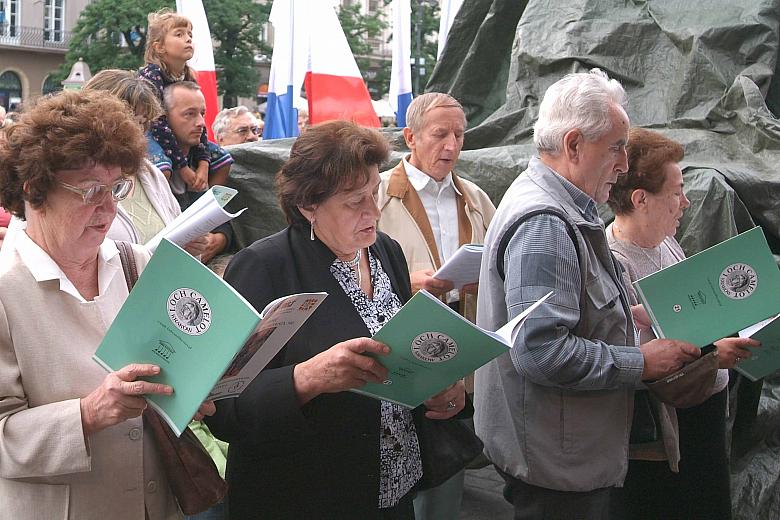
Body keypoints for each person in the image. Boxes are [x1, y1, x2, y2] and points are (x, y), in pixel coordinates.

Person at [206, 120, 468, 519]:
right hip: (306, 497)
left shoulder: (385, 251)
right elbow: (224, 408)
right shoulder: (264, 267)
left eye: (375, 194)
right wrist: (306, 378)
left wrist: (440, 390)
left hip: (394, 491)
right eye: (354, 202)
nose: (374, 212)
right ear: (308, 204)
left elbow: (398, 363)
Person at [474, 68, 702, 519]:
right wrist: (642, 361)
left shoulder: (560, 206)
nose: (623, 163)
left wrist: (623, 316)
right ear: (574, 144)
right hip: (556, 468)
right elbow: (539, 351)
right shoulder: (545, 222)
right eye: (616, 146)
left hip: (562, 453)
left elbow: (567, 314)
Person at [0, 89, 212, 519]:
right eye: (90, 190)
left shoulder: (138, 263)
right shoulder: (6, 289)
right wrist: (89, 414)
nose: (110, 207)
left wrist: (197, 391)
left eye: (116, 187)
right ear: (35, 190)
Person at [606, 127, 758, 519]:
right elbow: (637, 360)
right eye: (675, 192)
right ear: (640, 199)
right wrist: (711, 354)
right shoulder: (615, 263)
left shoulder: (665, 242)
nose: (686, 203)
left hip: (702, 417)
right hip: (662, 438)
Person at [377, 92, 495, 519]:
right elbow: (352, 265)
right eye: (440, 134)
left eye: (459, 135)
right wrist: (405, 282)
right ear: (409, 137)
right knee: (398, 475)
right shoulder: (377, 195)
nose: (451, 146)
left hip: (459, 352)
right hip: (400, 351)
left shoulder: (476, 199)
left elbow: (498, 266)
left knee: (447, 472)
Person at [82, 69, 206, 259]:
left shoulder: (151, 174)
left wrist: (190, 247)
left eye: (144, 124)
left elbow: (176, 242)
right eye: (130, 122)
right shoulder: (74, 180)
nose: (138, 133)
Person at [139, 9, 233, 197]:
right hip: (150, 132)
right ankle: (165, 212)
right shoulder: (150, 76)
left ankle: (203, 209)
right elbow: (157, 123)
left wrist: (204, 164)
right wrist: (183, 167)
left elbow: (200, 121)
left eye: (190, 34)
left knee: (224, 160)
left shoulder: (189, 76)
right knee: (162, 169)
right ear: (159, 47)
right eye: (179, 34)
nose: (188, 39)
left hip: (177, 134)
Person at [151, 81, 233, 263]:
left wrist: (217, 241)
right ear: (164, 118)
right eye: (189, 114)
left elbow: (222, 220)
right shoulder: (153, 168)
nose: (201, 123)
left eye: (202, 113)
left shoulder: (212, 161)